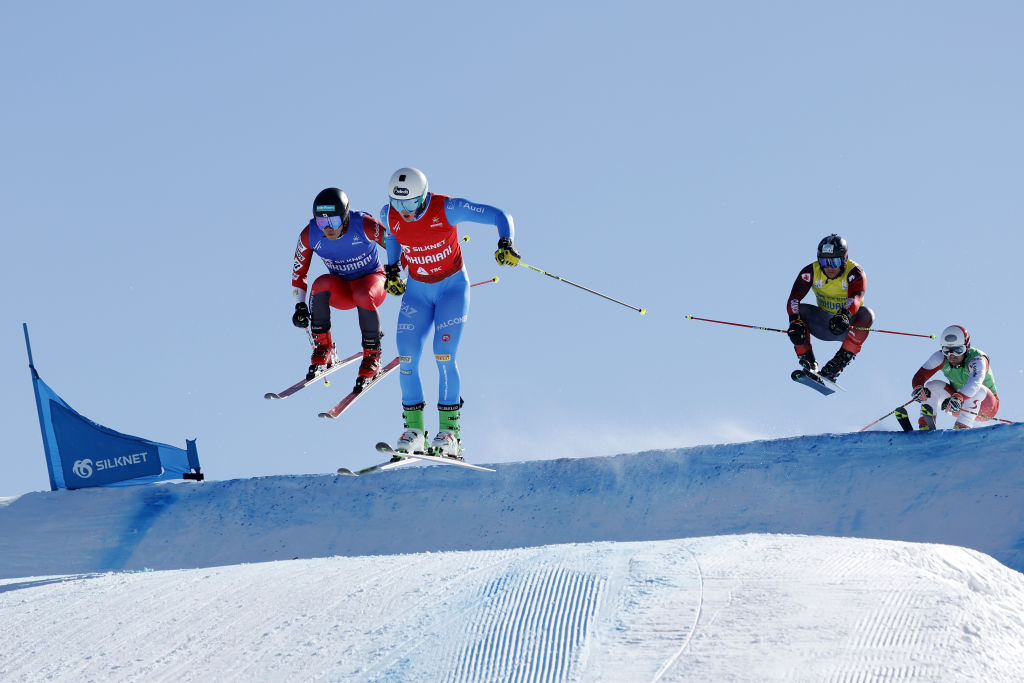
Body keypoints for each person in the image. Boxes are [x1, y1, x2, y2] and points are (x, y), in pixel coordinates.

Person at [380, 167, 520, 458]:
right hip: (417, 292)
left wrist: (505, 242)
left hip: (451, 290)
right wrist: (392, 268)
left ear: (423, 195)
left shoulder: (447, 208)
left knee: (443, 355)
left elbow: (499, 215)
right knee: (406, 356)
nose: (403, 211)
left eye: (409, 203)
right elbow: (393, 234)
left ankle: (450, 435)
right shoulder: (389, 214)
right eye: (397, 203)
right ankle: (415, 431)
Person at [291, 187, 389, 390]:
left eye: (333, 221)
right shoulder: (310, 234)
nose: (327, 228)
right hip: (343, 290)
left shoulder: (363, 224)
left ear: (345, 218)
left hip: (373, 283)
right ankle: (325, 349)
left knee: (363, 293)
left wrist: (405, 272)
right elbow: (299, 273)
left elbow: (395, 244)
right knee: (320, 284)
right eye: (322, 222)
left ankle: (372, 357)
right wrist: (299, 306)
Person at [786, 234, 874, 381]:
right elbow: (793, 299)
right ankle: (809, 362)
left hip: (846, 326)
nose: (829, 267)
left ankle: (837, 364)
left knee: (867, 314)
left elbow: (856, 298)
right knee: (798, 312)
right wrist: (795, 321)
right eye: (824, 261)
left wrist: (844, 315)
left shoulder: (855, 272)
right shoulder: (811, 271)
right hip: (822, 323)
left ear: (844, 259)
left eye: (834, 262)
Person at [910, 324, 999, 430]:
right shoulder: (940, 357)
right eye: (947, 350)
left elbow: (975, 383)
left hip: (987, 408)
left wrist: (958, 398)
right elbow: (920, 376)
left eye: (958, 350)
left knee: (978, 389)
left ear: (967, 348)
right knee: (931, 385)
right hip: (956, 405)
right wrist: (918, 388)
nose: (952, 355)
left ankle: (962, 428)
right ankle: (926, 425)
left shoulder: (978, 359)